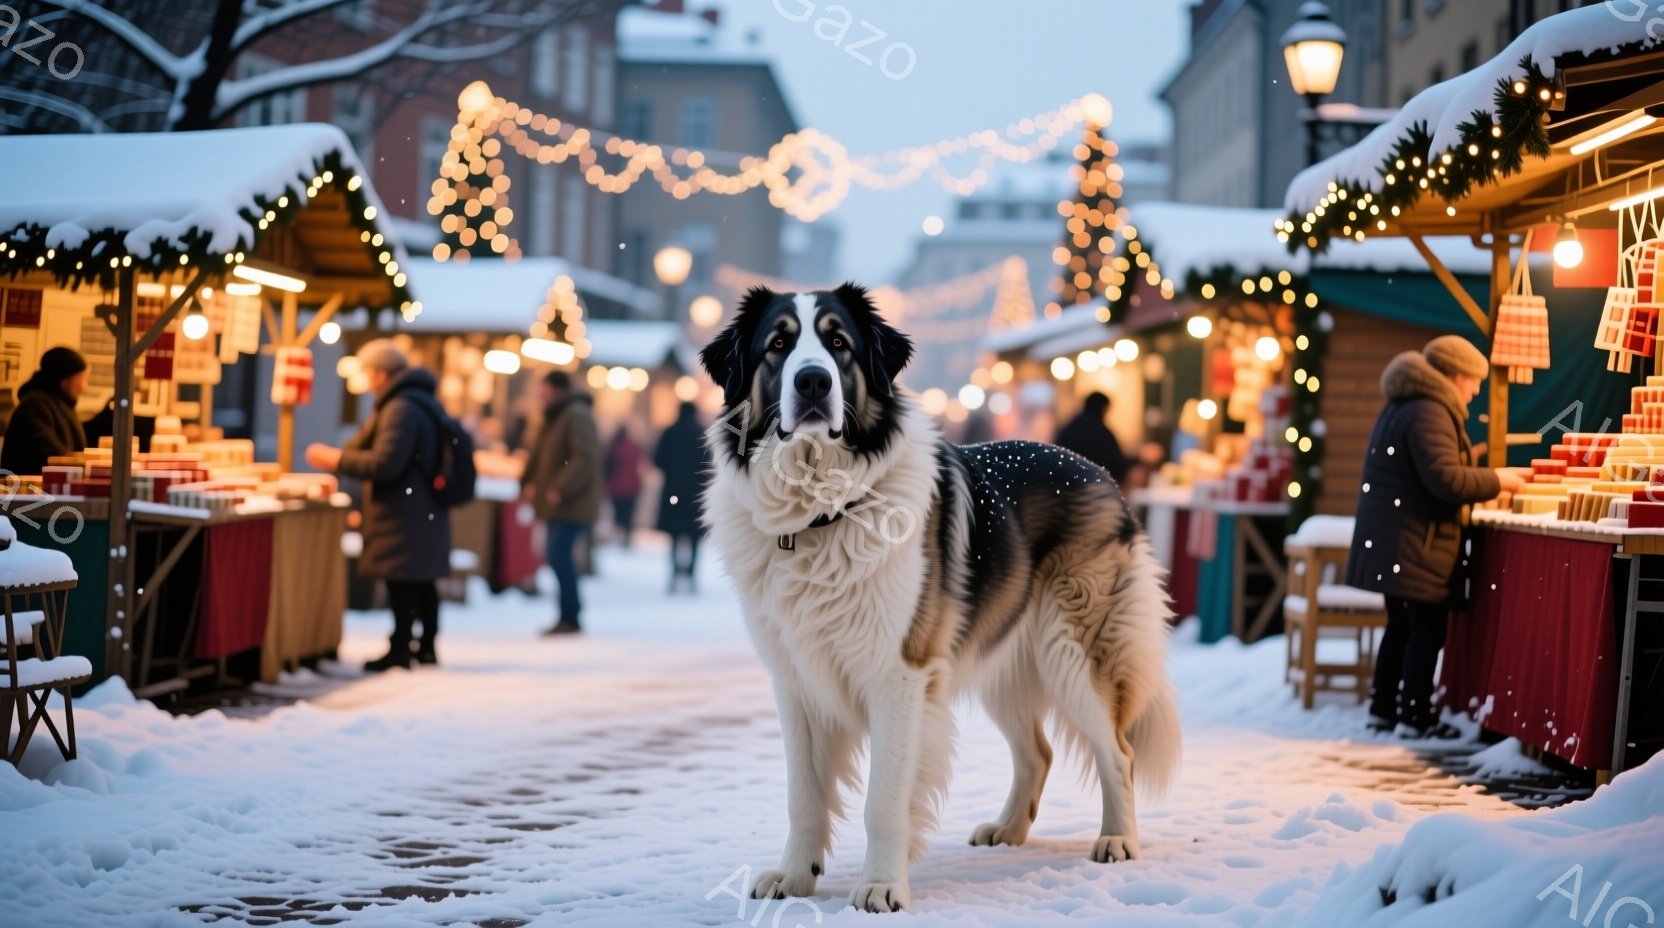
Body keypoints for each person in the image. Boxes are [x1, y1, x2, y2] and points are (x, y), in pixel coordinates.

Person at [1347, 336, 1525, 739]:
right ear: (1454, 375)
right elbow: (1445, 479)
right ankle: (1415, 717)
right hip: (1415, 541)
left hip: (1400, 539)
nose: (1476, 389)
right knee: (1425, 629)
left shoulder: (1407, 404)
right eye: (1473, 380)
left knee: (1400, 625)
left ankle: (1383, 708)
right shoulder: (1429, 410)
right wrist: (1498, 479)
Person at [305, 340, 453, 671]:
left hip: (403, 511)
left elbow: (387, 463)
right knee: (421, 579)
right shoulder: (420, 401)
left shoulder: (400, 408)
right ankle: (425, 646)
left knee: (402, 580)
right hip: (422, 507)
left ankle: (401, 648)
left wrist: (337, 459)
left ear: (381, 374)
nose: (366, 381)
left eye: (368, 372)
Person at [522, 370, 601, 635]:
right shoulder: (556, 415)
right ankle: (569, 614)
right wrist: (526, 481)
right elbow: (541, 454)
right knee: (557, 555)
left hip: (572, 503)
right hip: (560, 502)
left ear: (557, 391)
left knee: (558, 555)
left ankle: (570, 616)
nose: (540, 396)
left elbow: (584, 457)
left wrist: (560, 487)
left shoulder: (574, 414)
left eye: (544, 391)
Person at [2, 347, 88, 476]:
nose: (84, 387)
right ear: (65, 379)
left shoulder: (56, 403)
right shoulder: (35, 406)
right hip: (26, 487)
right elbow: (50, 454)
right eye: (82, 379)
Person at [654, 401, 711, 593]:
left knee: (674, 535)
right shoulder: (702, 433)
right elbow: (709, 463)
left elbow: (658, 460)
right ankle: (692, 576)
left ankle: (673, 575)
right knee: (694, 537)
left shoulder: (669, 432)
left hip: (673, 491)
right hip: (696, 493)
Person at [1055, 391, 1132, 484]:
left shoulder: (1071, 427)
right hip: (1091, 486)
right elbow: (1116, 464)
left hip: (1067, 484)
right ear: (1103, 408)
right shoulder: (1101, 432)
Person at [604, 426, 645, 547]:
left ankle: (619, 536)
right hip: (632, 485)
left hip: (616, 485)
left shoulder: (614, 447)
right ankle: (627, 536)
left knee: (618, 512)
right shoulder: (634, 446)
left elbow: (608, 467)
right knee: (628, 513)